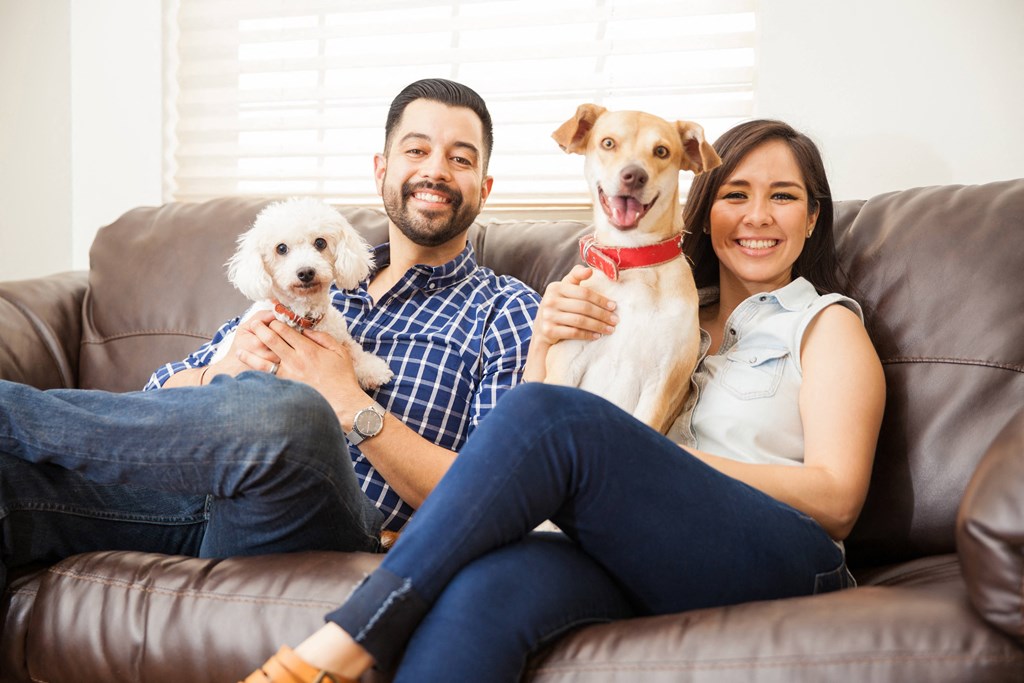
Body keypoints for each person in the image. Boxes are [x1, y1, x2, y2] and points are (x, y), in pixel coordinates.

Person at [240, 119, 887, 683]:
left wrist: (661, 462)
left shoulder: (826, 324)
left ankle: (340, 641)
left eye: (784, 197)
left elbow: (838, 500)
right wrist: (544, 342)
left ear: (812, 216)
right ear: (703, 207)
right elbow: (528, 430)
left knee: (562, 421)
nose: (756, 216)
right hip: (647, 543)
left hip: (784, 554)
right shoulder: (666, 309)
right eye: (736, 195)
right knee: (482, 593)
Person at [0, 79, 539, 593]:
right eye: (416, 151)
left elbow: (493, 492)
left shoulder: (507, 311)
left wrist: (350, 403)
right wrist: (222, 371)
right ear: (381, 171)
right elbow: (152, 406)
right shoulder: (293, 283)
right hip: (197, 501)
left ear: (484, 188)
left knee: (291, 413)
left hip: (331, 523)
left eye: (460, 158)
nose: (436, 170)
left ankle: (13, 413)